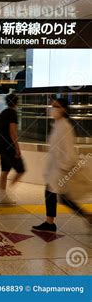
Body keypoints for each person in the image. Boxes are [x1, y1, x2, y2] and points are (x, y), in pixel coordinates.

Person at [32, 98, 92, 232]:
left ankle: (50, 223)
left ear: (63, 109)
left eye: (56, 106)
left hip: (61, 170)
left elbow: (69, 152)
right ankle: (87, 216)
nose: (52, 108)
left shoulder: (65, 127)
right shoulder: (57, 125)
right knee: (63, 198)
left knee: (52, 193)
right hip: (56, 168)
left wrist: (63, 169)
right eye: (52, 106)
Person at [0, 94, 25, 205]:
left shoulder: (3, 112)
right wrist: (17, 148)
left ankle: (3, 196)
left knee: (5, 171)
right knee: (21, 169)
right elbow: (12, 132)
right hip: (9, 147)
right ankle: (7, 192)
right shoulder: (12, 113)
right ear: (16, 103)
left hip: (2, 147)